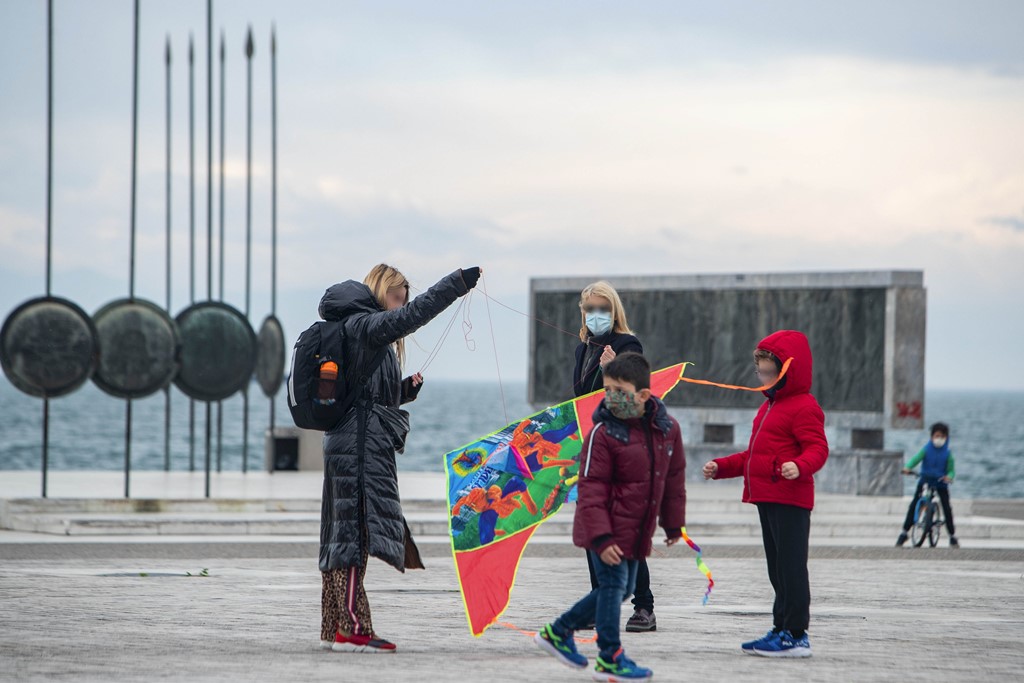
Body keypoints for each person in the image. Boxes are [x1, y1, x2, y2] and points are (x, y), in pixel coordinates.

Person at [317, 264, 481, 653]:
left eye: (402, 301)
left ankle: (339, 624)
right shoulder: (365, 324)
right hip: (358, 446)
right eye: (396, 298)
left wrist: (403, 390)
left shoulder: (361, 331)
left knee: (348, 533)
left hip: (357, 440)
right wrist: (454, 285)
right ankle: (352, 627)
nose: (399, 307)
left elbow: (364, 395)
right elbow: (414, 316)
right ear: (380, 291)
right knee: (355, 534)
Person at [536, 352, 686, 680]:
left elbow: (673, 479)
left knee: (624, 588)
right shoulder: (602, 435)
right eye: (607, 390)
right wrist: (601, 538)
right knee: (613, 584)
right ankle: (609, 656)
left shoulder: (667, 429)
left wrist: (673, 523)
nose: (611, 398)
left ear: (644, 395)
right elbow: (590, 490)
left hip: (636, 528)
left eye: (620, 391)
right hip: (604, 528)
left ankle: (558, 632)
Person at [701, 330, 828, 658]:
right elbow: (752, 457)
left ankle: (796, 635)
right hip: (769, 498)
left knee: (791, 568)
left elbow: (818, 448)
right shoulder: (768, 408)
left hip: (791, 499)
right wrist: (721, 467)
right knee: (777, 570)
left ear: (788, 371)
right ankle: (781, 627)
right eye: (759, 372)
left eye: (768, 372)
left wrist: (799, 466)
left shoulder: (803, 407)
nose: (762, 379)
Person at [571, 281, 656, 633]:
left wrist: (615, 367)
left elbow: (634, 397)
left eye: (602, 308)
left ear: (614, 310)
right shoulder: (583, 349)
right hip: (592, 447)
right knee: (593, 526)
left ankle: (644, 606)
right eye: (590, 308)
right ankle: (599, 598)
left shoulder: (626, 344)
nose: (596, 315)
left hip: (623, 447)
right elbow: (581, 398)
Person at [896, 422, 958, 548]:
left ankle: (952, 536)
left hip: (941, 482)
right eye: (936, 436)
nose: (939, 439)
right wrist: (908, 467)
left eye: (942, 436)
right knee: (914, 504)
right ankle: (904, 533)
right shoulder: (926, 449)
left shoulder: (948, 453)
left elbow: (951, 470)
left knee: (947, 508)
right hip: (925, 479)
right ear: (931, 437)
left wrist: (949, 477)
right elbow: (916, 459)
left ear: (946, 437)